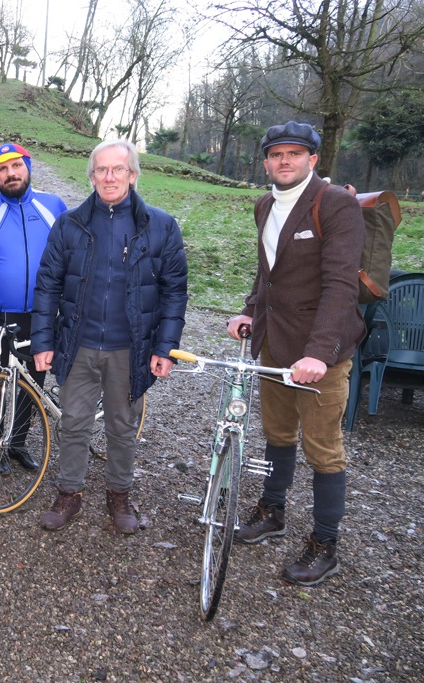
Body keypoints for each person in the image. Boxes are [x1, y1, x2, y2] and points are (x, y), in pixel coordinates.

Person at [228, 121, 365, 586]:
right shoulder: (265, 203)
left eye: (295, 153)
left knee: (324, 450)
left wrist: (320, 354)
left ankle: (325, 544)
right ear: (265, 160)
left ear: (313, 159)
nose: (284, 161)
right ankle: (272, 511)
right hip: (274, 344)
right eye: (276, 154)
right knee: (278, 435)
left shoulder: (337, 205)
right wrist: (249, 310)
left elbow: (341, 285)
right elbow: (269, 271)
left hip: (319, 355)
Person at [31, 139, 188, 534]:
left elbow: (174, 291)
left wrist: (165, 347)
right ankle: (70, 493)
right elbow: (47, 285)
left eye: (118, 169)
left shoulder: (160, 226)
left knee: (122, 425)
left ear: (133, 175)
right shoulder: (70, 224)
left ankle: (119, 495)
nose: (110, 176)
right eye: (102, 169)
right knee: (74, 423)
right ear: (92, 176)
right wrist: (43, 340)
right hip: (77, 343)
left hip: (129, 348)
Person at [0, 142, 67, 473]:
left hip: (43, 314)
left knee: (34, 380)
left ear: (28, 167)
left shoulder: (54, 207)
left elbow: (72, 258)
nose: (10, 174)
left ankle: (18, 442)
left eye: (16, 166)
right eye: (2, 169)